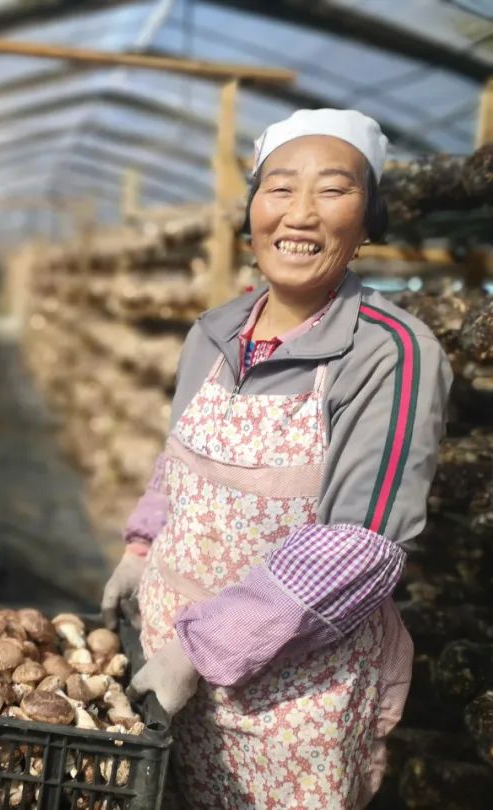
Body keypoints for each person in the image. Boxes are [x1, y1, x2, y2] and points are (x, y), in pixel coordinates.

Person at [100, 109, 451, 808]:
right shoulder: (217, 331)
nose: (301, 214)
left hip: (290, 704)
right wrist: (142, 546)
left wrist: (199, 653)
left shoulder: (391, 353)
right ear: (253, 211)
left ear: (369, 221)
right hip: (167, 665)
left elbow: (361, 546)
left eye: (332, 191)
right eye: (280, 188)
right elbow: (183, 458)